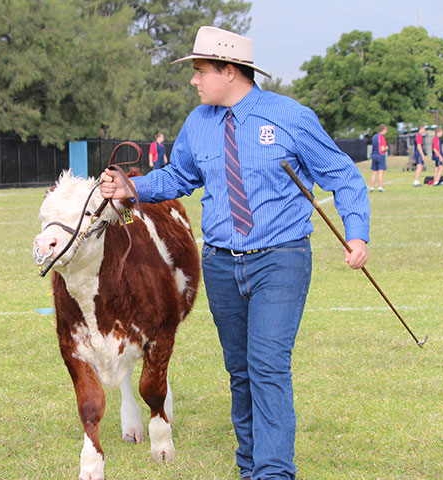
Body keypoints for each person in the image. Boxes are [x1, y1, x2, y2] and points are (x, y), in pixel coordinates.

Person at [100, 26, 370, 480]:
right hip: (222, 265)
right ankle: (250, 468)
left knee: (267, 366)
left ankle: (273, 473)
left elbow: (343, 176)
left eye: (200, 71)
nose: (194, 80)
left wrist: (357, 233)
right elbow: (177, 179)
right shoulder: (197, 124)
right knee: (241, 372)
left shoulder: (289, 116)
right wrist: (132, 187)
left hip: (280, 259)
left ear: (229, 71)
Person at [369, 124, 389, 192]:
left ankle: (372, 187)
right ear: (383, 130)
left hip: (374, 155)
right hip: (380, 155)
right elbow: (382, 148)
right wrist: (386, 148)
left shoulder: (374, 137)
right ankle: (380, 187)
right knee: (380, 172)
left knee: (374, 172)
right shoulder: (382, 137)